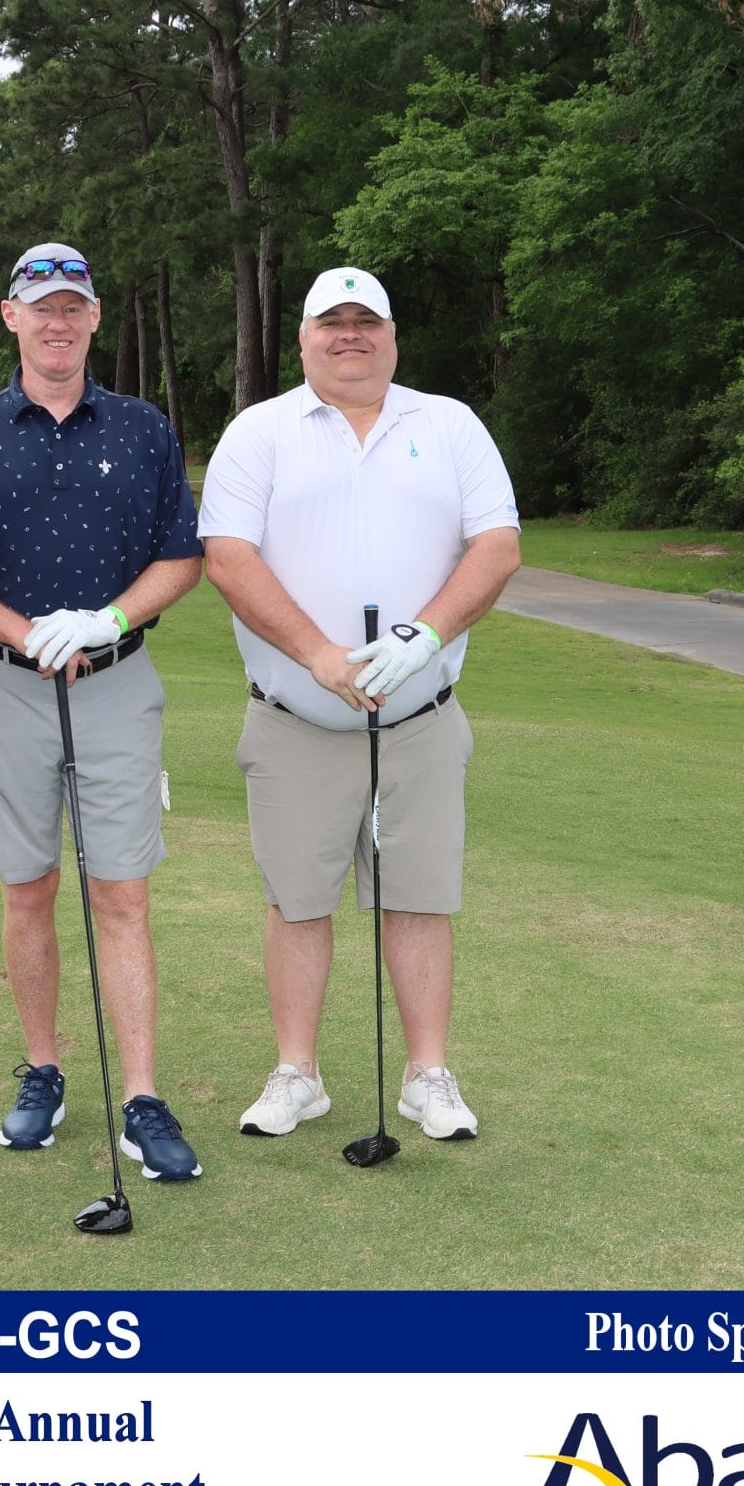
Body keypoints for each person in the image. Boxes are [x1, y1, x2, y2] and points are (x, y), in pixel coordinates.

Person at [198, 267, 522, 1144]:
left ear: (392, 336)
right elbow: (227, 557)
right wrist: (317, 653)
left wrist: (424, 634)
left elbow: (497, 545)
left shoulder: (449, 424)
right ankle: (296, 1073)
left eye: (366, 321)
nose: (351, 335)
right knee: (297, 898)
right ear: (303, 338)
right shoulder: (260, 432)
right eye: (331, 322)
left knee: (420, 894)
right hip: (295, 717)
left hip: (419, 717)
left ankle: (428, 1075)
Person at [0, 241, 206, 1183]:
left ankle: (142, 1096)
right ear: (11, 316)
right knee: (28, 887)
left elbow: (181, 555)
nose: (58, 321)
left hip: (117, 681)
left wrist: (108, 618)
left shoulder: (142, 426)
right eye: (40, 305)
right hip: (3, 683)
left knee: (121, 891)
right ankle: (44, 1070)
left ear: (93, 318)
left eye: (73, 307)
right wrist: (27, 631)